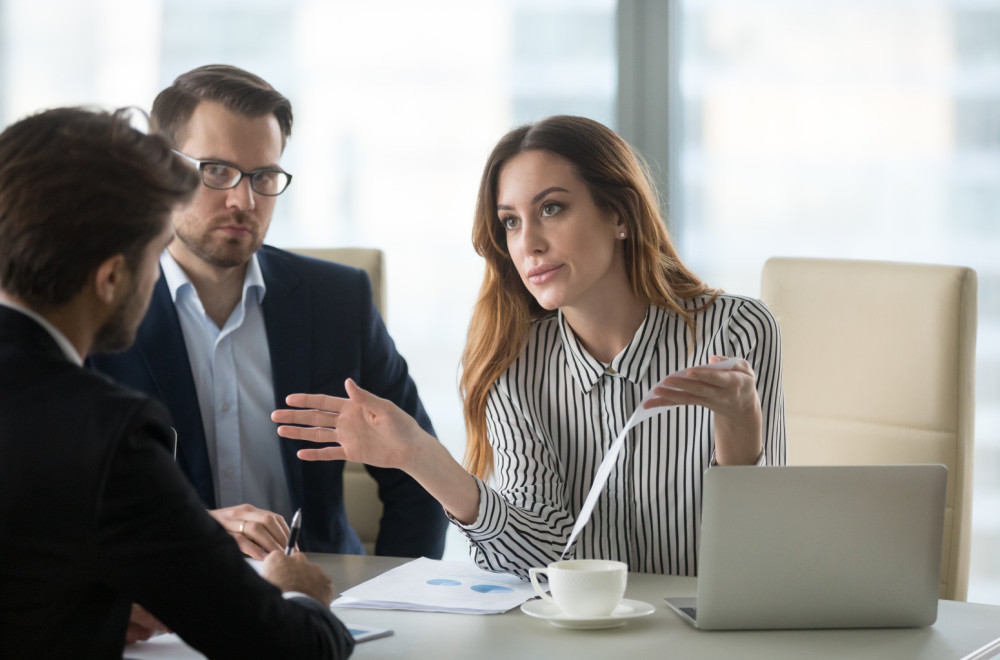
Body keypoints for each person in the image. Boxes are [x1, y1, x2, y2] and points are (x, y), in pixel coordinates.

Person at [273, 115, 786, 579]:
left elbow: (765, 555)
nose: (528, 243)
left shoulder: (734, 330)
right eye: (511, 221)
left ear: (620, 215)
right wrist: (419, 457)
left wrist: (740, 427)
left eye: (552, 208)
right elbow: (539, 559)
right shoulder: (513, 361)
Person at [0, 107, 353, 658]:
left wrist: (95, 610)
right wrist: (299, 597)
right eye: (153, 251)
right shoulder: (105, 431)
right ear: (113, 276)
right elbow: (289, 649)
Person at [89, 64, 448, 559]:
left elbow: (419, 478)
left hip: (321, 600)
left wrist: (393, 600)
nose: (244, 199)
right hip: (164, 606)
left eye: (264, 176)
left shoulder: (337, 300)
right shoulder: (98, 305)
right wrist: (194, 532)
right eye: (215, 170)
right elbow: (59, 504)